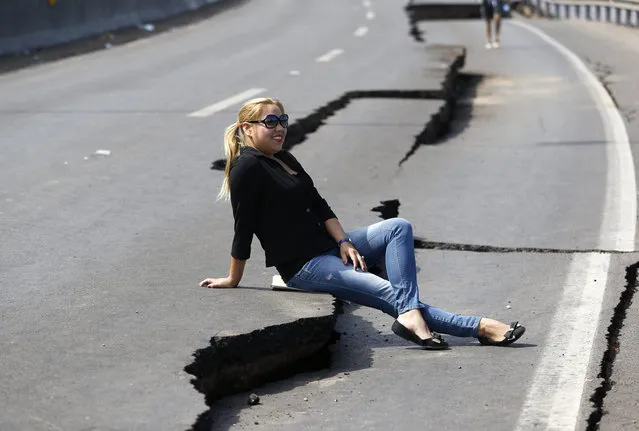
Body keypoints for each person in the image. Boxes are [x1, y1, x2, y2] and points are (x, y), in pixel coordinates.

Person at [199, 97, 525, 350]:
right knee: (388, 292)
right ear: (246, 128)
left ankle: (409, 314)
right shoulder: (246, 169)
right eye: (270, 121)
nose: (280, 127)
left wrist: (344, 242)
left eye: (282, 120)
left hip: (328, 247)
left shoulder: (284, 158)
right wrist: (232, 278)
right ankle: (480, 327)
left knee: (398, 227)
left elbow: (320, 206)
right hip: (304, 266)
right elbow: (243, 229)